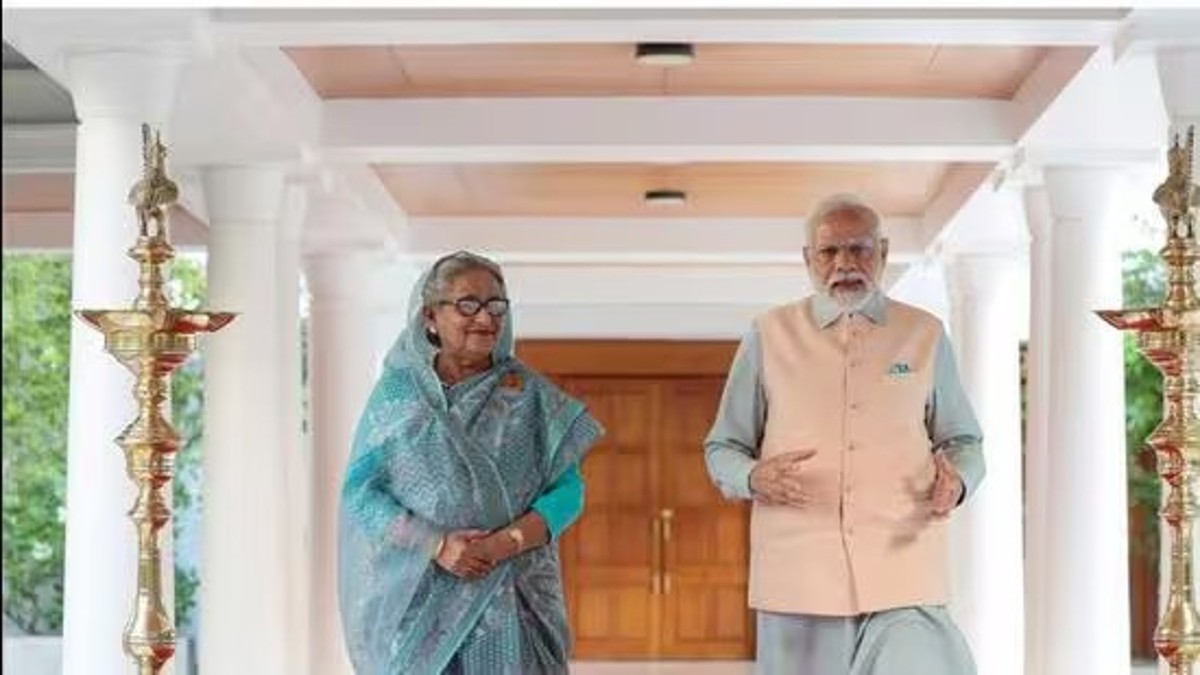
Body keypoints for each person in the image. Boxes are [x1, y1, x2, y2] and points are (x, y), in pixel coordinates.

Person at [704, 194, 984, 675]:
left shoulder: (925, 333)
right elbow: (722, 447)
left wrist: (957, 482)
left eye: (859, 249)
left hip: (905, 570)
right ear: (808, 259)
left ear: (884, 251)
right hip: (799, 577)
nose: (845, 264)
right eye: (830, 251)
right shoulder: (769, 334)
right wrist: (752, 477)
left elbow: (963, 439)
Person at [339, 250, 602, 674]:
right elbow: (362, 494)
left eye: (496, 305)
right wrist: (437, 545)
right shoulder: (399, 397)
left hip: (512, 595)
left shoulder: (530, 395)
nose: (486, 318)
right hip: (422, 598)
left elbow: (569, 492)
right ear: (430, 316)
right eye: (467, 304)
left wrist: (503, 544)